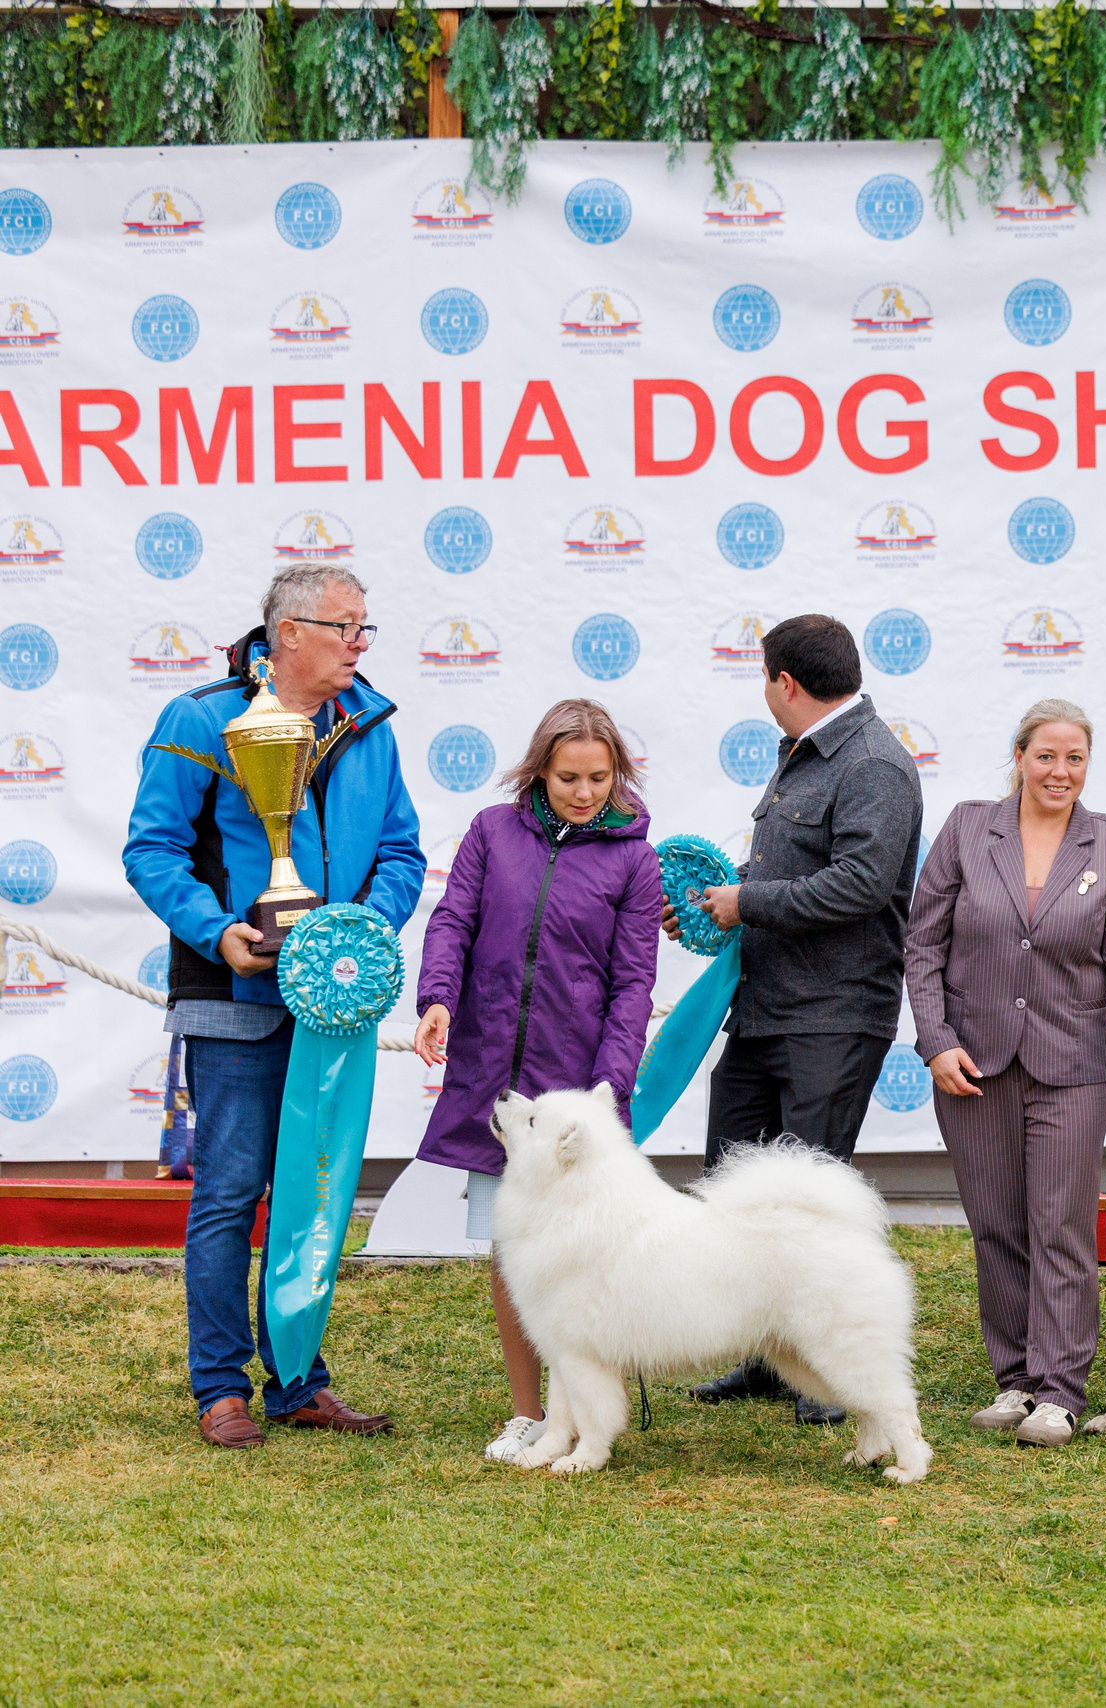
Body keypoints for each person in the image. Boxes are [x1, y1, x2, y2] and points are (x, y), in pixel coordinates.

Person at [122, 565, 425, 1450]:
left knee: (317, 1193)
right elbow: (153, 851)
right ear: (288, 632)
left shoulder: (369, 724)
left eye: (366, 629)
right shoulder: (199, 718)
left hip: (332, 1002)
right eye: (346, 629)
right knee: (229, 1192)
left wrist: (359, 938)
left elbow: (402, 850)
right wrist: (217, 933)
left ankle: (297, 1379)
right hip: (232, 994)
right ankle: (220, 1387)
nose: (360, 646)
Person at [905, 700, 1106, 1447]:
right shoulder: (970, 828)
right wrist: (935, 1041)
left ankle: (1061, 1394)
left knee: (1060, 1225)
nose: (1059, 772)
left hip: (1071, 1066)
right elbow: (922, 944)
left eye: (1074, 759)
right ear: (1019, 757)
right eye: (1046, 757)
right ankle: (1015, 1380)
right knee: (996, 1225)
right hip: (971, 1064)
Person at [674, 613, 923, 1425]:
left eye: (764, 680)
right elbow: (793, 871)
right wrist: (717, 904)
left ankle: (824, 1369)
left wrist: (747, 901)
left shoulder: (876, 763)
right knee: (739, 1184)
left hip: (834, 1015)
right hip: (765, 1011)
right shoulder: (803, 756)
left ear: (784, 681)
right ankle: (766, 1354)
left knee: (811, 1202)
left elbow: (862, 884)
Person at [411, 700, 661, 1465]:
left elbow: (632, 983)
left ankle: (588, 1413)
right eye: (568, 778)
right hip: (494, 1080)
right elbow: (452, 919)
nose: (584, 793)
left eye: (599, 777)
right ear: (538, 772)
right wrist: (437, 997)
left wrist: (610, 1086)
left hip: (578, 1098)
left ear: (618, 772)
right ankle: (528, 1415)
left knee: (590, 1258)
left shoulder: (635, 861)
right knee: (513, 1254)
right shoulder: (492, 833)